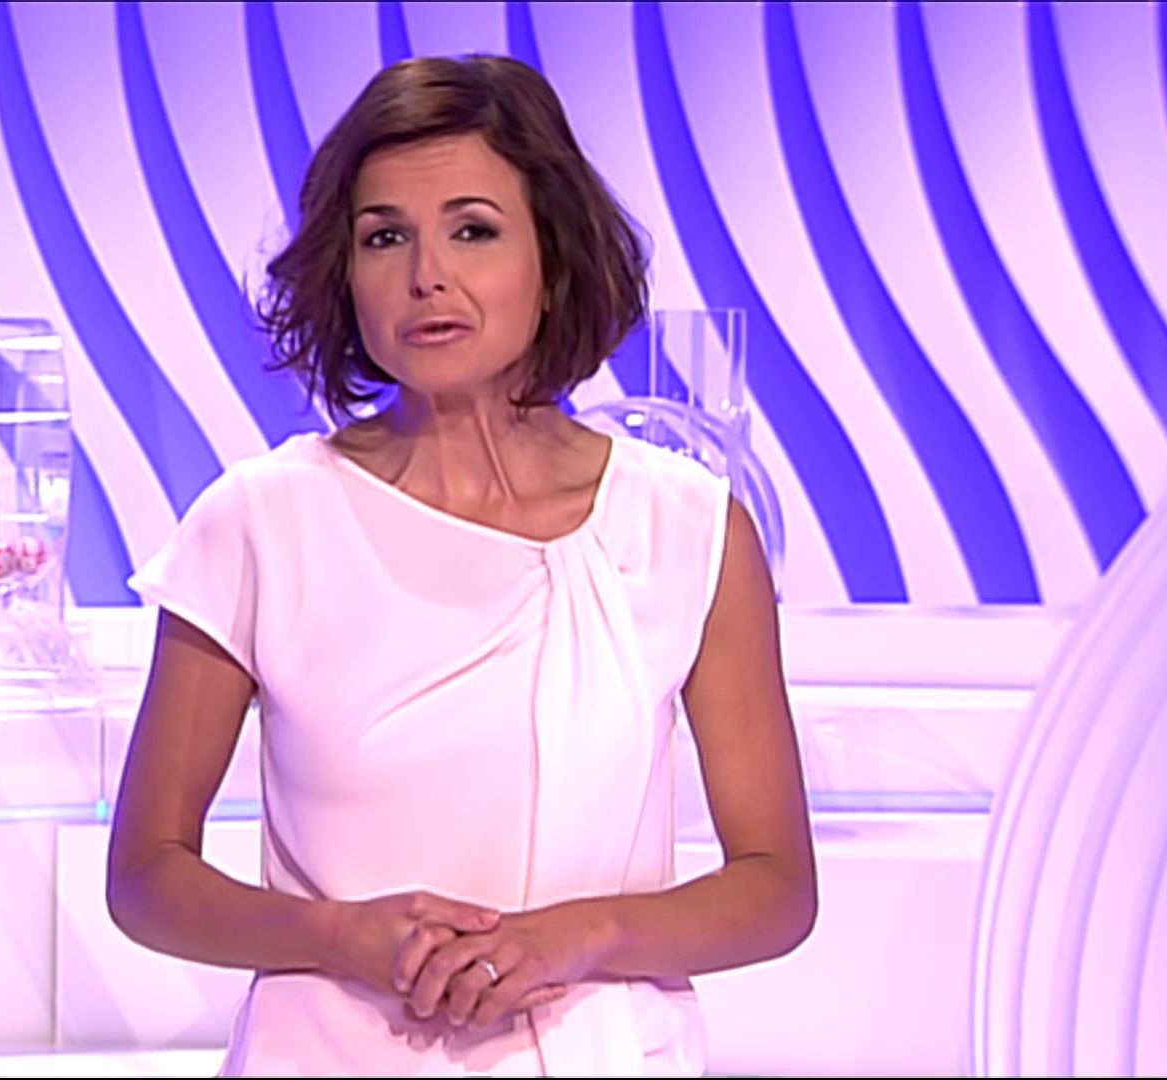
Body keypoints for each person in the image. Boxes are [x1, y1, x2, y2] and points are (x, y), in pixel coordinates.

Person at [107, 54, 816, 1076]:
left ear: (553, 258)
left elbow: (777, 886)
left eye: (473, 230)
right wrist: (339, 936)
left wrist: (581, 937)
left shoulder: (689, 529)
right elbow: (145, 876)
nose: (426, 276)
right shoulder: (258, 523)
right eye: (384, 236)